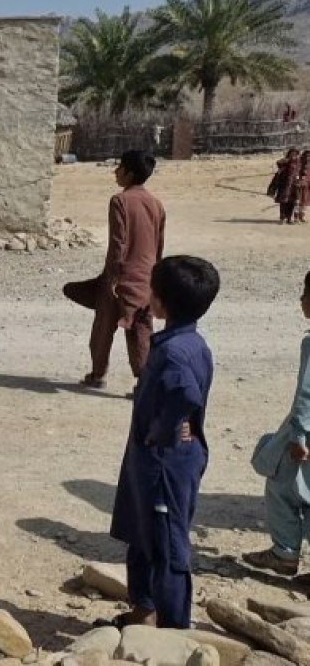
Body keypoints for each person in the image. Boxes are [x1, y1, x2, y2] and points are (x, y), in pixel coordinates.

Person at [107, 255, 220, 629]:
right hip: (156, 459)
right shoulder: (189, 342)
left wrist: (164, 431)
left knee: (167, 547)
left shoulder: (174, 352)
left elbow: (185, 394)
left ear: (160, 301)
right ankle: (144, 611)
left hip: (165, 463)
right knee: (143, 535)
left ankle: (172, 630)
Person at [63, 150, 165, 390]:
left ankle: (98, 374)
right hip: (146, 278)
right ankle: (144, 383)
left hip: (120, 276)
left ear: (129, 173)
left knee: (103, 326)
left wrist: (112, 279)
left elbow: (119, 243)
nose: (115, 172)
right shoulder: (156, 204)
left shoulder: (120, 201)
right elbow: (158, 245)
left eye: (120, 167)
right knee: (141, 329)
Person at [244, 270, 310, 577]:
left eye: (305, 294)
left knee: (282, 487)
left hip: (304, 435)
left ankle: (284, 553)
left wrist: (299, 436)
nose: (301, 300)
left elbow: (306, 395)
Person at [273, 148, 302, 225]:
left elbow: (301, 172)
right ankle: (282, 218)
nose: (293, 155)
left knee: (292, 202)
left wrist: (300, 181)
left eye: (295, 154)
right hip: (285, 185)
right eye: (292, 154)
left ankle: (289, 218)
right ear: (289, 154)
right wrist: (287, 160)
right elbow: (278, 163)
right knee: (283, 202)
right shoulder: (285, 161)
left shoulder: (298, 163)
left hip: (294, 185)